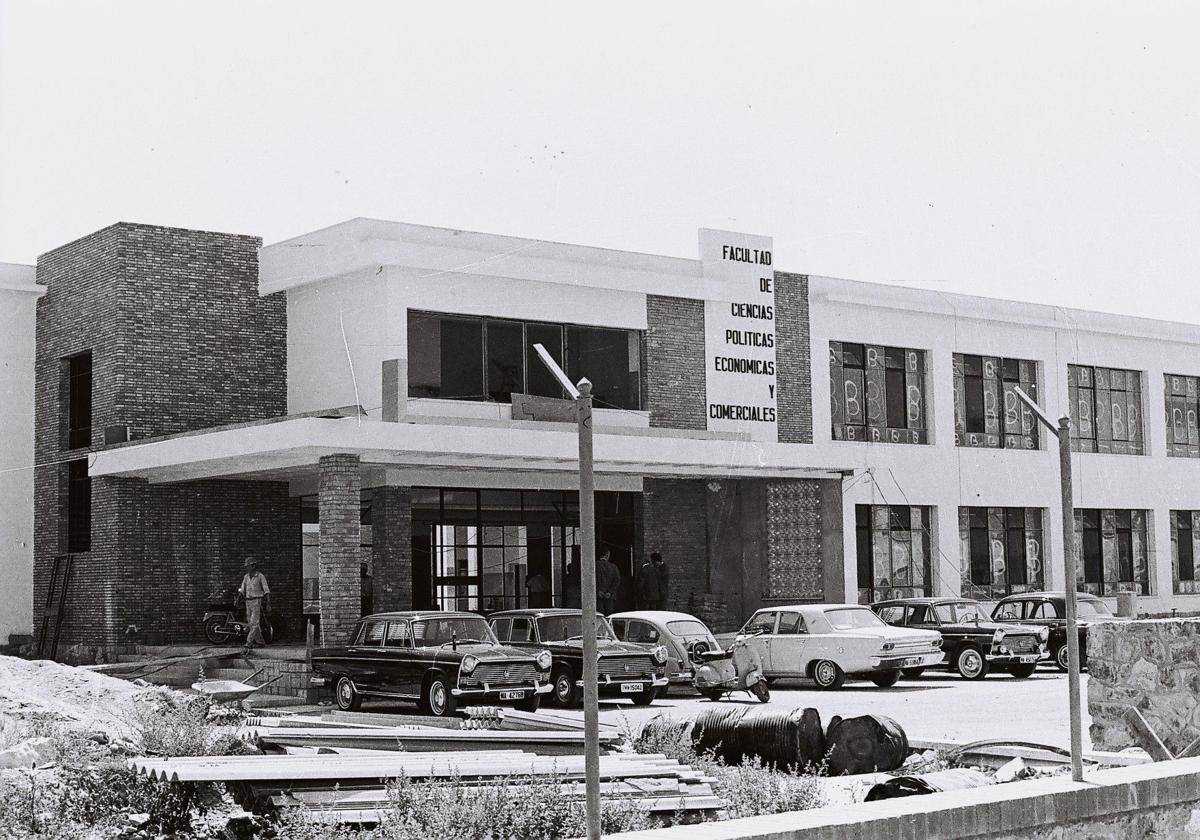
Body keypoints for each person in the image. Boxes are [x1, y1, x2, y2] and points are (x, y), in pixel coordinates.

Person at [238, 556, 271, 652]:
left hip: (257, 600)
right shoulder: (246, 577)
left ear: (253, 566)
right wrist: (238, 600)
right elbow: (242, 590)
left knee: (254, 622)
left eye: (248, 566)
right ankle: (260, 642)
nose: (247, 568)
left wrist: (268, 603)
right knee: (251, 623)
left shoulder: (260, 576)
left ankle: (248, 642)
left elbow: (266, 590)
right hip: (248, 601)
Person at [596, 549, 621, 615]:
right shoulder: (613, 567)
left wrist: (598, 590)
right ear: (607, 555)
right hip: (610, 596)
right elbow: (617, 580)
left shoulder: (594, 565)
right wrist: (610, 592)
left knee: (599, 615)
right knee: (609, 615)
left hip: (598, 595)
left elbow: (590, 579)